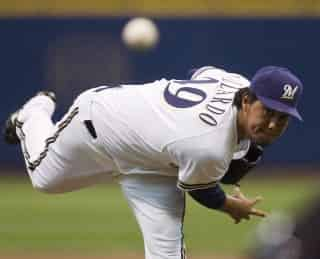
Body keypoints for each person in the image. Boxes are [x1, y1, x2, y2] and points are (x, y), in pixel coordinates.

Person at [3, 65, 303, 259]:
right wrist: (231, 206)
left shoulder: (235, 82)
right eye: (268, 112)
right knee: (44, 180)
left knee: (167, 255)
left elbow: (200, 71)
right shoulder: (208, 146)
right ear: (248, 100)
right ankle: (35, 113)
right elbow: (202, 190)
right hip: (100, 123)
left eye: (283, 118)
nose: (274, 124)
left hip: (156, 166)